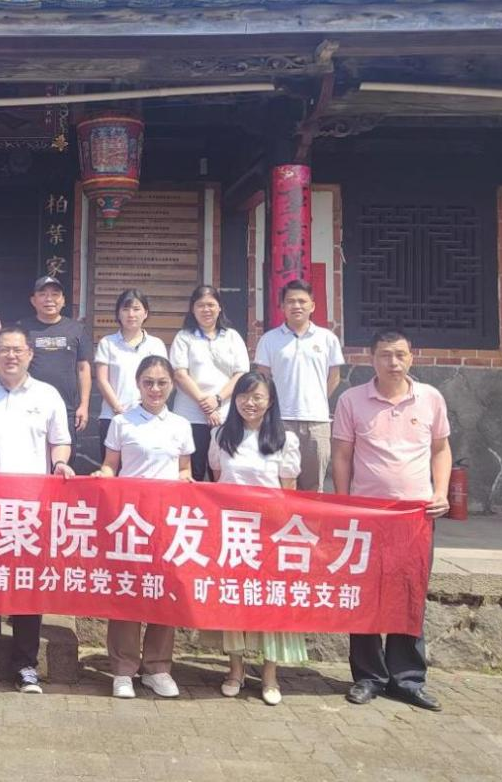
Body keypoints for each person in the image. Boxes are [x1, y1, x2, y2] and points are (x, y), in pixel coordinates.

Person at [332, 328, 451, 712]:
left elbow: (441, 449)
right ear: (372, 359)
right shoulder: (351, 399)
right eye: (385, 355)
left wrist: (440, 492)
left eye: (400, 354)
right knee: (365, 595)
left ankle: (408, 679)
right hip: (367, 516)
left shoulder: (430, 398)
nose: (393, 362)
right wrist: (345, 503)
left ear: (412, 357)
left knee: (409, 596)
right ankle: (368, 677)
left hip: (415, 516)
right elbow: (342, 455)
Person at [0, 325, 74, 694]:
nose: (11, 356)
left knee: (26, 587)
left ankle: (25, 666)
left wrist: (60, 463)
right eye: (4, 349)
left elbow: (60, 441)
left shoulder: (47, 395)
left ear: (30, 354)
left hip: (29, 509)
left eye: (18, 350)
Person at [90, 355, 193, 699]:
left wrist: (186, 480)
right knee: (127, 594)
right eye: (148, 382)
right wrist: (101, 476)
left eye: (162, 382)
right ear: (138, 384)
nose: (155, 389)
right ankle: (123, 669)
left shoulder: (180, 425)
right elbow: (111, 465)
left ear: (172, 386)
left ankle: (157, 668)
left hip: (167, 524)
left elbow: (184, 469)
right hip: (130, 522)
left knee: (165, 593)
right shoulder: (123, 422)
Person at [207, 371, 304, 705]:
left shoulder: (285, 439)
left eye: (258, 397)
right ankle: (235, 670)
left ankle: (270, 675)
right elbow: (218, 480)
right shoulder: (221, 435)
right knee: (234, 600)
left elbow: (289, 492)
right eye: (244, 396)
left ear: (270, 401)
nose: (250, 403)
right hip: (233, 533)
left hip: (270, 534)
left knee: (269, 602)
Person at [254, 278, 345, 492]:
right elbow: (262, 379)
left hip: (317, 422)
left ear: (312, 306)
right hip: (279, 420)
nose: (297, 306)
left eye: (302, 301)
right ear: (282, 307)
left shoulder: (327, 338)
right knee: (278, 483)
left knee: (313, 486)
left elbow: (334, 377)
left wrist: (315, 400)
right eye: (291, 301)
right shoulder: (269, 339)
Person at [170, 285, 250, 482]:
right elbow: (180, 374)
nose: (206, 309)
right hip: (190, 415)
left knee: (223, 472)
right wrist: (205, 404)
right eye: (200, 305)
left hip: (225, 415)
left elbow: (241, 373)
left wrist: (217, 399)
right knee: (192, 473)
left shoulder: (232, 336)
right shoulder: (184, 337)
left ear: (219, 307)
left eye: (211, 305)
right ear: (192, 308)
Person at [18, 275, 93, 447]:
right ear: (33, 300)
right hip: (28, 407)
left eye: (55, 294)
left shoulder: (76, 329)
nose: (49, 299)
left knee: (64, 455)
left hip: (66, 408)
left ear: (63, 300)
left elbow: (83, 368)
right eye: (43, 294)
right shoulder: (21, 328)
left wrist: (84, 405)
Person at [94, 289, 168, 449]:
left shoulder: (156, 344)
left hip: (149, 417)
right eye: (125, 309)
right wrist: (118, 409)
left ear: (145, 313)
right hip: (113, 416)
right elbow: (102, 380)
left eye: (136, 309)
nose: (131, 314)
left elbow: (163, 380)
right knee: (111, 463)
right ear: (118, 313)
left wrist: (148, 407)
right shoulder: (107, 343)